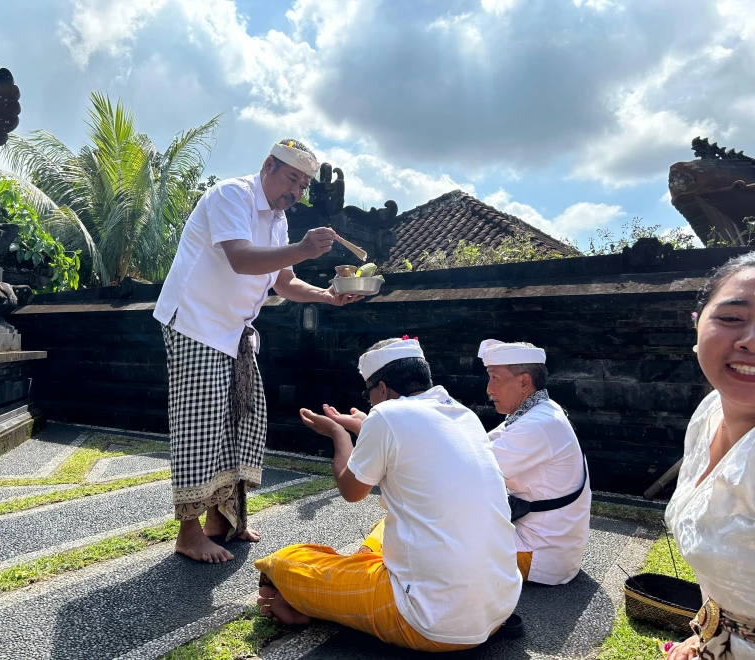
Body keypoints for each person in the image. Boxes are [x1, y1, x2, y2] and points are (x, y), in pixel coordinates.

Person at [152, 139, 362, 564]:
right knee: (201, 425)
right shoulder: (233, 195)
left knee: (244, 421)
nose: (296, 192)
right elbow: (242, 259)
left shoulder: (278, 221)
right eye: (291, 179)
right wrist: (303, 249)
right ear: (268, 165)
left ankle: (222, 519)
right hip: (195, 323)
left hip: (235, 333)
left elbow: (283, 281)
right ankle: (188, 533)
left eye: (302, 186)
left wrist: (326, 295)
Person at [254, 337, 522, 652]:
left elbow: (352, 491)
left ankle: (301, 596)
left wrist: (338, 435)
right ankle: (344, 582)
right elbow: (403, 444)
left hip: (429, 621)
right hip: (498, 607)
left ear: (382, 389)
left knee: (286, 561)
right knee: (384, 526)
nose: (370, 401)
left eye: (368, 393)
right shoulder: (463, 415)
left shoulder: (386, 415)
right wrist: (366, 427)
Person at [664, 253, 755, 660]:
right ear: (697, 324)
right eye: (732, 318)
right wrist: (708, 630)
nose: (751, 340)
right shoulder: (710, 412)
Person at [476, 339, 591, 585]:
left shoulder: (537, 424)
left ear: (524, 382)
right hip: (546, 541)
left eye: (494, 378)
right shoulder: (539, 410)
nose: (489, 389)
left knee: (437, 544)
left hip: (538, 552)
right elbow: (481, 445)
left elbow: (474, 470)